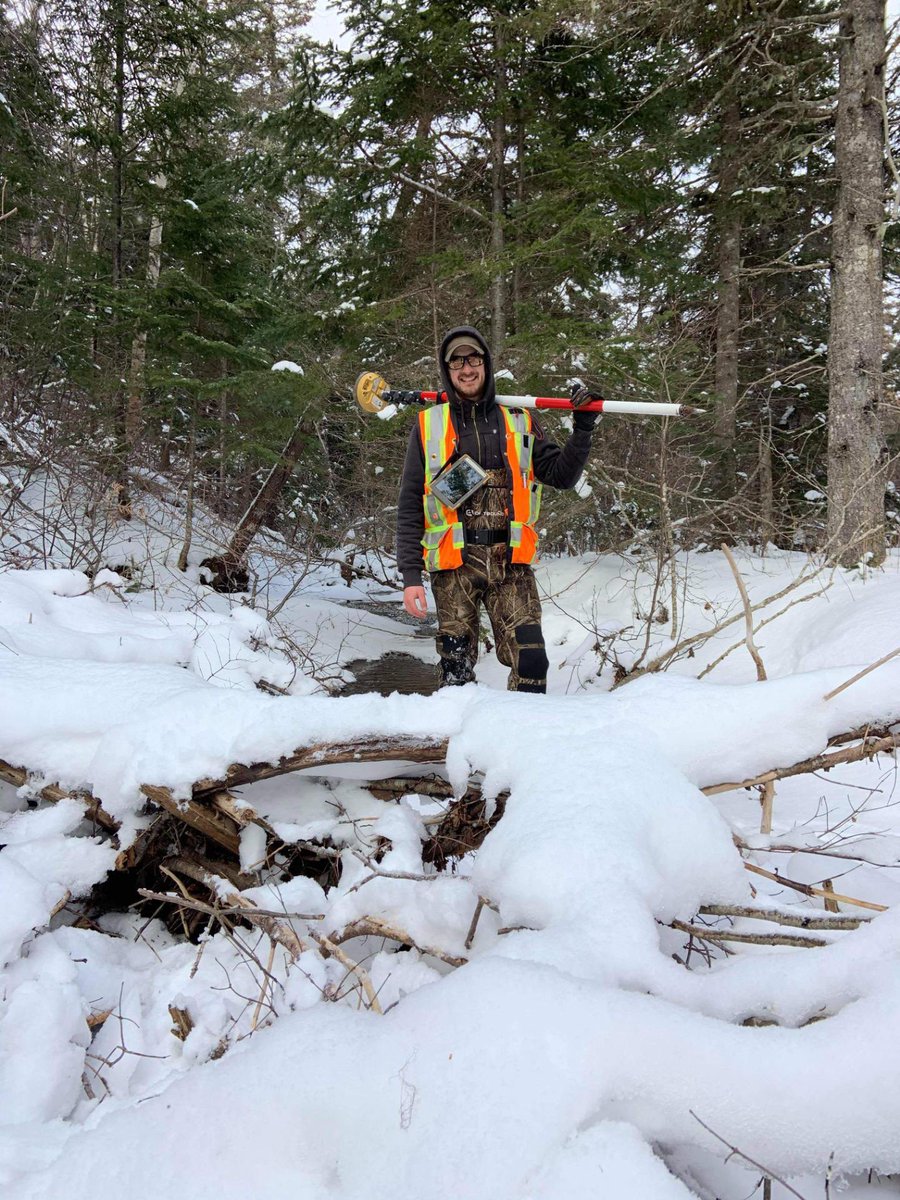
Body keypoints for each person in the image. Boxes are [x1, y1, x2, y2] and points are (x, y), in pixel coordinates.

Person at [396, 325, 599, 693]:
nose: (466, 368)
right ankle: (461, 743)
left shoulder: (519, 418)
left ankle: (520, 740)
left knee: (533, 661)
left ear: (486, 364)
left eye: (473, 358)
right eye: (456, 362)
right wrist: (411, 576)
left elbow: (561, 475)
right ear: (447, 370)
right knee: (455, 667)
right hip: (454, 564)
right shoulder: (429, 425)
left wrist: (582, 429)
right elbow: (411, 502)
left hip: (510, 563)